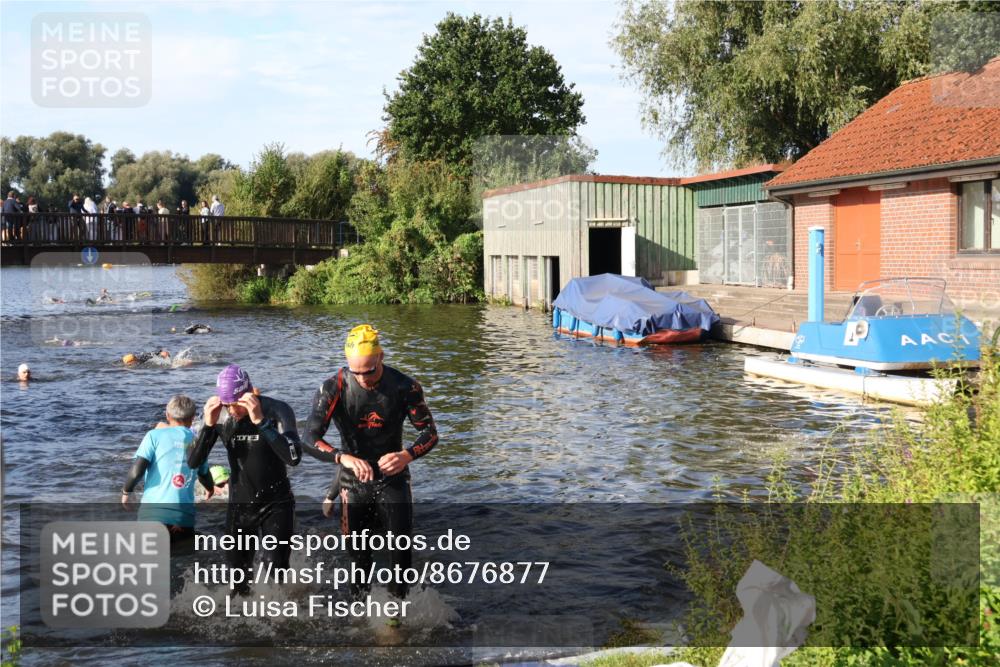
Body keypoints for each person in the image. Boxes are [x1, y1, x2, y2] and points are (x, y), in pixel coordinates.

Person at [303, 325, 438, 607]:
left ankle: (395, 619)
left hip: (394, 478)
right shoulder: (334, 387)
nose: (363, 379)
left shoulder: (404, 386)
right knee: (358, 560)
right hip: (353, 483)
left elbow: (430, 434)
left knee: (400, 554)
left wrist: (407, 455)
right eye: (357, 372)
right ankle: (360, 619)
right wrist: (342, 457)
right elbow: (309, 438)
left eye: (369, 371)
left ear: (381, 357)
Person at [187, 364, 302, 594]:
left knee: (275, 572)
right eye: (226, 404)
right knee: (238, 581)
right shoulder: (219, 415)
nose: (231, 411)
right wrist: (208, 427)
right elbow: (193, 461)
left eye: (235, 404)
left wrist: (261, 422)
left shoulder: (276, 410)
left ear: (249, 393)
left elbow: (293, 457)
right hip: (240, 507)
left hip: (276, 505)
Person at [121, 395, 215, 542]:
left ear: (167, 415)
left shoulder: (153, 436)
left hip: (151, 516)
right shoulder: (197, 442)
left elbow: (137, 470)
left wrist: (126, 492)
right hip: (183, 519)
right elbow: (204, 474)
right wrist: (210, 489)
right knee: (183, 560)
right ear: (192, 418)